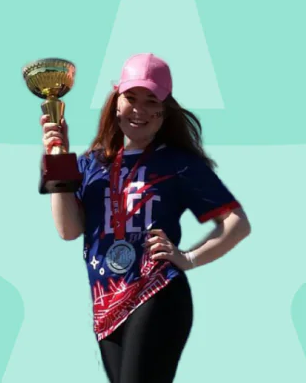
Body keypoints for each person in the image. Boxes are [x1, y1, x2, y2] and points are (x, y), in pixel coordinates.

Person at [40, 53, 252, 382]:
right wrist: (58, 156)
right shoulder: (89, 164)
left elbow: (238, 223)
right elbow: (68, 230)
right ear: (116, 102)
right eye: (131, 98)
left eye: (151, 101)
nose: (138, 110)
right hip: (107, 307)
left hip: (158, 291)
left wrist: (189, 258)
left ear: (164, 111)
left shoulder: (179, 163)